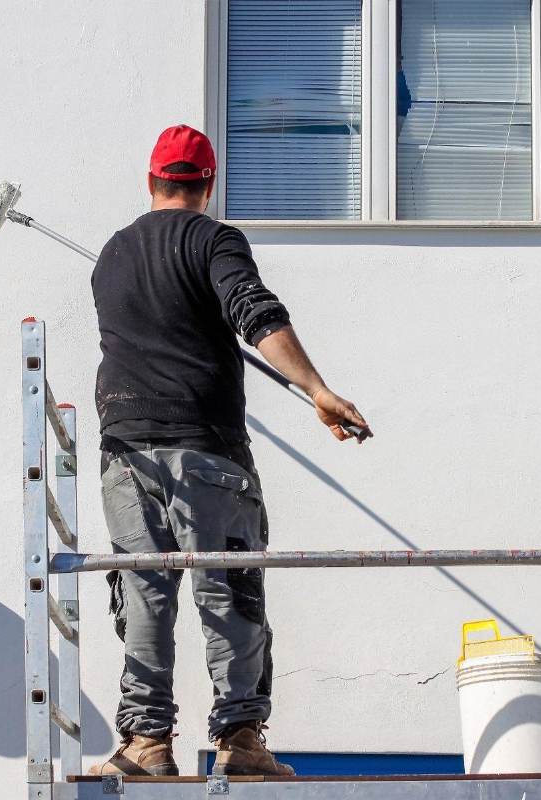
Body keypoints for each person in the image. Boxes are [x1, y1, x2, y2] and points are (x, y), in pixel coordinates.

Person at [88, 124, 372, 778]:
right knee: (228, 592)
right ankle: (241, 743)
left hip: (126, 455)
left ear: (151, 180)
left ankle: (145, 744)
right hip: (205, 451)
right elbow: (255, 312)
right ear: (208, 184)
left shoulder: (112, 254)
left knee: (143, 597)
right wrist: (318, 390)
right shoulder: (214, 239)